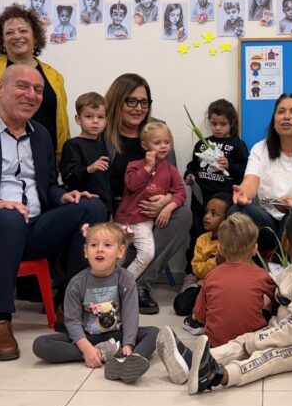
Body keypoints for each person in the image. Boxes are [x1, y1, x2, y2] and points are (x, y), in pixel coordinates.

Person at [0, 65, 108, 360]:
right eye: (22, 86)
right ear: (0, 88)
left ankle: (69, 307)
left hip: (33, 227)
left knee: (92, 207)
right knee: (9, 217)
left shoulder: (40, 135)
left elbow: (48, 185)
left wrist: (64, 195)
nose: (31, 95)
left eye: (38, 90)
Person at [156, 208, 292, 393]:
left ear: (286, 242)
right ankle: (190, 362)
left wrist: (259, 339)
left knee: (267, 357)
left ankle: (216, 376)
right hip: (281, 332)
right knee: (241, 342)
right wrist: (259, 336)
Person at [104, 73, 193, 314]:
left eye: (144, 102)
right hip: (118, 212)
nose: (138, 108)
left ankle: (140, 285)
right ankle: (113, 281)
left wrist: (166, 201)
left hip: (153, 214)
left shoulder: (158, 131)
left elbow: (174, 181)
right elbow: (98, 183)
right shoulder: (104, 132)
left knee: (183, 214)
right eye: (131, 101)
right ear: (117, 101)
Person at [31, 222, 158, 382]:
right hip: (87, 337)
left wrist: (128, 344)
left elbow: (130, 315)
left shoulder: (125, 278)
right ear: (86, 251)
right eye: (93, 245)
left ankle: (133, 359)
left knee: (154, 333)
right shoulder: (76, 283)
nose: (99, 249)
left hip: (117, 335)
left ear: (120, 251)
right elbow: (72, 321)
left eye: (107, 245)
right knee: (40, 344)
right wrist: (86, 348)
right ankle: (104, 354)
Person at [0, 4, 71, 156]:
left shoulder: (54, 76)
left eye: (23, 31)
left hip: (45, 157)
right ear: (2, 41)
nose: (16, 36)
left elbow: (62, 121)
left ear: (35, 37)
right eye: (9, 33)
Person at [230, 93, 292, 252]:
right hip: (267, 220)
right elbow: (251, 181)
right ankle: (244, 265)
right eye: (281, 111)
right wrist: (243, 194)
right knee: (236, 211)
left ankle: (278, 264)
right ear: (274, 121)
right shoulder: (260, 149)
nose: (286, 116)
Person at [183, 99, 248, 278]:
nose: (218, 128)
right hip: (201, 199)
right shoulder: (202, 143)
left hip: (224, 201)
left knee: (224, 237)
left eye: (223, 124)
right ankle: (191, 273)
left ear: (231, 123)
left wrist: (229, 165)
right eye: (214, 124)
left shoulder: (238, 145)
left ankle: (224, 273)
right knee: (196, 234)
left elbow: (246, 171)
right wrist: (189, 175)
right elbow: (193, 165)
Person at [192, 213, 276, 347]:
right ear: (255, 249)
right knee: (267, 306)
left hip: (217, 346)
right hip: (250, 346)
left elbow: (200, 316)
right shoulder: (262, 276)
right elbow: (277, 307)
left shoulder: (211, 276)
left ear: (220, 249)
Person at [115, 121, 186, 281]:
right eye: (157, 143)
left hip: (143, 223)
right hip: (123, 221)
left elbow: (180, 191)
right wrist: (147, 167)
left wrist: (168, 207)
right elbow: (132, 185)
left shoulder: (170, 169)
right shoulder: (134, 165)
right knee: (117, 257)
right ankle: (110, 284)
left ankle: (126, 282)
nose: (163, 146)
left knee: (147, 254)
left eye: (167, 142)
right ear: (145, 145)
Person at [178, 192, 232, 330]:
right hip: (204, 287)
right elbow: (197, 270)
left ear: (227, 219)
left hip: (225, 288)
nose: (207, 217)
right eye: (206, 212)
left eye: (214, 214)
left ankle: (204, 317)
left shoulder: (232, 242)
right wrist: (216, 262)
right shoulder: (202, 240)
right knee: (180, 305)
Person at [60, 92, 114, 213]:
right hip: (83, 205)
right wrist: (88, 169)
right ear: (78, 119)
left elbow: (106, 183)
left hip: (105, 207)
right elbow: (68, 177)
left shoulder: (103, 147)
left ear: (106, 120)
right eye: (89, 116)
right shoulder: (72, 145)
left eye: (100, 117)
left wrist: (110, 208)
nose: (95, 121)